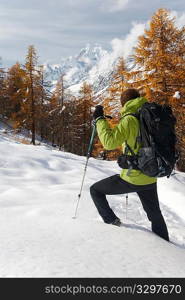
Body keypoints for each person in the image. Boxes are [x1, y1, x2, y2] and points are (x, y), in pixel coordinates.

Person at [90, 88, 169, 241]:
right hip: (151, 174)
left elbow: (109, 142)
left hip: (133, 177)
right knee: (154, 214)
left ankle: (112, 221)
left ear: (124, 103)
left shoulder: (130, 119)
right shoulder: (150, 115)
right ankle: (166, 243)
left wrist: (99, 120)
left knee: (95, 191)